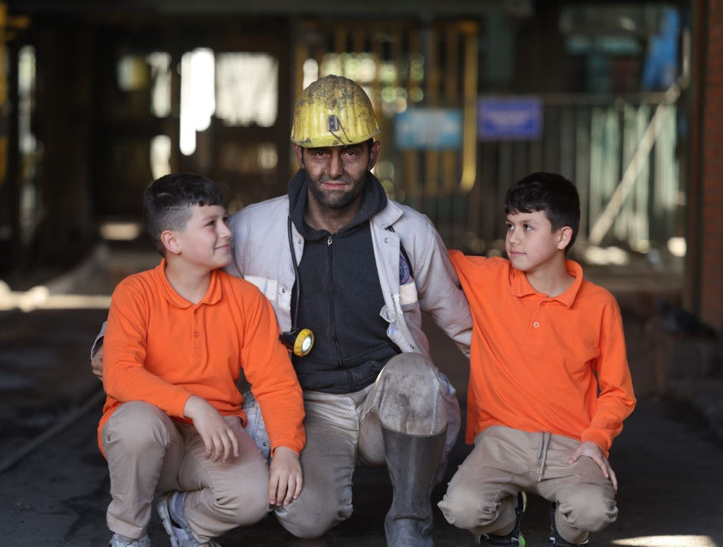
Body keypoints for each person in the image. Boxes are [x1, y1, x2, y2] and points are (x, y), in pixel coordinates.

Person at [93, 74, 472, 546]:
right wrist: (112, 342)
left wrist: (521, 411)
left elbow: (464, 326)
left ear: (373, 153)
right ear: (300, 155)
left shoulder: (409, 232)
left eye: (350, 152)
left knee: (416, 377)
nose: (334, 168)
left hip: (385, 396)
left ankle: (410, 522)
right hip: (311, 405)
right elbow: (181, 268)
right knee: (304, 518)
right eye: (320, 153)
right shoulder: (252, 228)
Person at [99, 173, 305, 547]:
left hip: (214, 439)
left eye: (224, 220)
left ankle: (183, 514)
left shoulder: (246, 300)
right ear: (172, 241)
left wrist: (286, 449)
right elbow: (119, 374)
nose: (227, 232)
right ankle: (129, 536)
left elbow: (275, 382)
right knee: (135, 423)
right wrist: (194, 406)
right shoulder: (134, 293)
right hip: (148, 441)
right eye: (211, 224)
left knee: (254, 499)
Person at [437, 172, 637, 546]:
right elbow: (424, 251)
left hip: (570, 442)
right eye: (511, 224)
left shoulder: (599, 305)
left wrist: (596, 440)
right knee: (461, 507)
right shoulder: (488, 277)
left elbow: (617, 392)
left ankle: (565, 536)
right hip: (500, 438)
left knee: (593, 510)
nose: (513, 237)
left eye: (528, 226)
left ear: (563, 237)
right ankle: (505, 526)